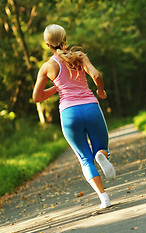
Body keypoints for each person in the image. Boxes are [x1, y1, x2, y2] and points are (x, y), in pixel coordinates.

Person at [33, 24, 116, 209]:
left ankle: (104, 198)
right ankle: (102, 156)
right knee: (101, 148)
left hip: (69, 113)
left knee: (85, 159)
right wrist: (101, 92)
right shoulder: (79, 56)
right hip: (91, 108)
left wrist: (58, 87)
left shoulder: (47, 67)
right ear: (65, 38)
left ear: (47, 44)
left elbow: (36, 97)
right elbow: (96, 75)